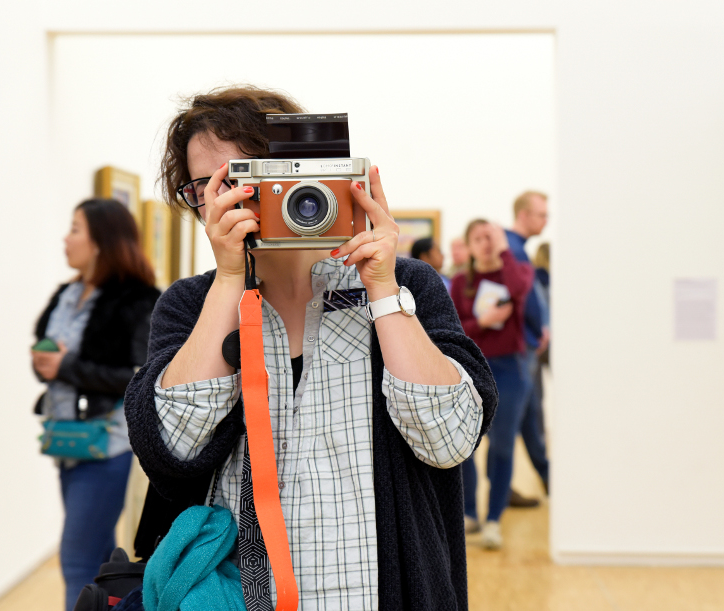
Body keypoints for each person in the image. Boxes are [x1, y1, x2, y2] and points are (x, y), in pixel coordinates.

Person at [123, 85, 497, 610]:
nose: (232, 199)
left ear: (301, 172)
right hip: (242, 595)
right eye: (209, 187)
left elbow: (450, 439)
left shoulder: (404, 283)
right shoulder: (191, 305)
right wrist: (231, 279)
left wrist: (384, 290)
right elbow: (172, 446)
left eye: (248, 177)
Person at [32, 199, 160, 611]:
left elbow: (139, 374)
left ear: (102, 241)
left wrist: (67, 366)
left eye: (74, 229)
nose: (65, 239)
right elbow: (50, 360)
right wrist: (47, 363)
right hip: (67, 443)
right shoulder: (67, 294)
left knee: (76, 560)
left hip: (107, 444)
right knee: (102, 559)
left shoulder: (137, 300)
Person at [450, 219, 534, 550]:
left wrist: (504, 250)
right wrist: (481, 323)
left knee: (502, 447)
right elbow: (454, 327)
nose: (485, 243)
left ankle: (494, 519)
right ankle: (469, 513)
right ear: (468, 245)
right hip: (471, 369)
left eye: (491, 237)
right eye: (478, 238)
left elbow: (517, 289)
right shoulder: (460, 282)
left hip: (510, 370)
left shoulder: (517, 273)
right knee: (465, 446)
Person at [505, 191, 551, 506]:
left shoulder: (519, 248)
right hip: (520, 349)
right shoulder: (513, 249)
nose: (546, 221)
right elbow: (521, 298)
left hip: (526, 347)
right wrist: (540, 328)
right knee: (516, 421)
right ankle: (505, 492)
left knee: (528, 419)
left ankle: (551, 482)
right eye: (541, 214)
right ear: (524, 215)